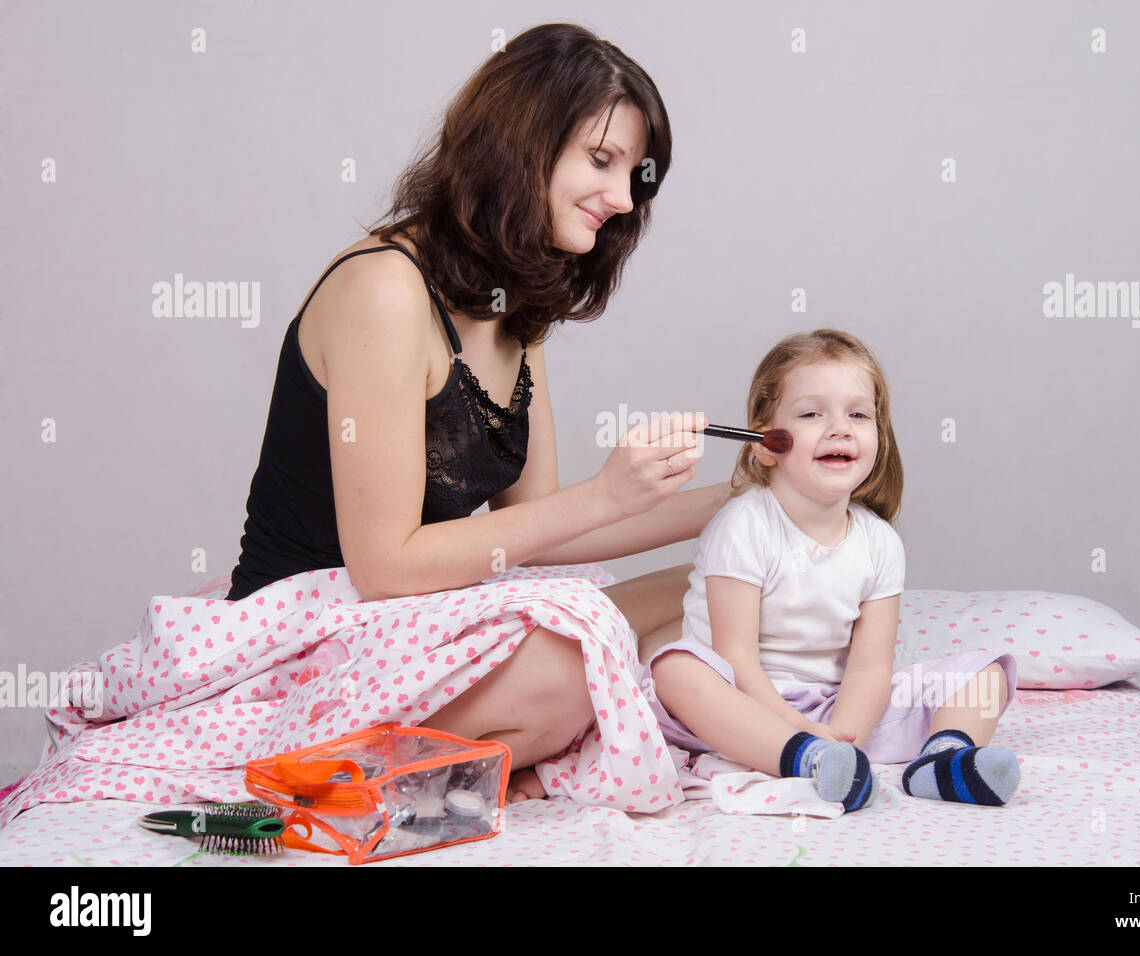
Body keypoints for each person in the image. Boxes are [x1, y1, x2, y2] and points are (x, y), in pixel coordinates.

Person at [224, 23, 729, 802]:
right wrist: (602, 493)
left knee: (714, 588)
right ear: (521, 143)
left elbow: (545, 530)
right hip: (313, 638)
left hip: (421, 631)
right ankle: (477, 760)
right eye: (601, 161)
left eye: (636, 175)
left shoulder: (513, 308)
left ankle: (491, 757)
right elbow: (384, 565)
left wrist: (744, 499)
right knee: (574, 660)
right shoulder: (386, 292)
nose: (622, 198)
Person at [639, 329, 1022, 811]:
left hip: (832, 707)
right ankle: (804, 758)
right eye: (811, 414)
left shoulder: (879, 542)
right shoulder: (743, 524)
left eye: (858, 415)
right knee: (676, 670)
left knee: (983, 672)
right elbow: (736, 657)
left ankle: (942, 760)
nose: (839, 428)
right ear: (765, 443)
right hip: (736, 704)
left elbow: (869, 666)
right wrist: (797, 730)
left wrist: (846, 736)